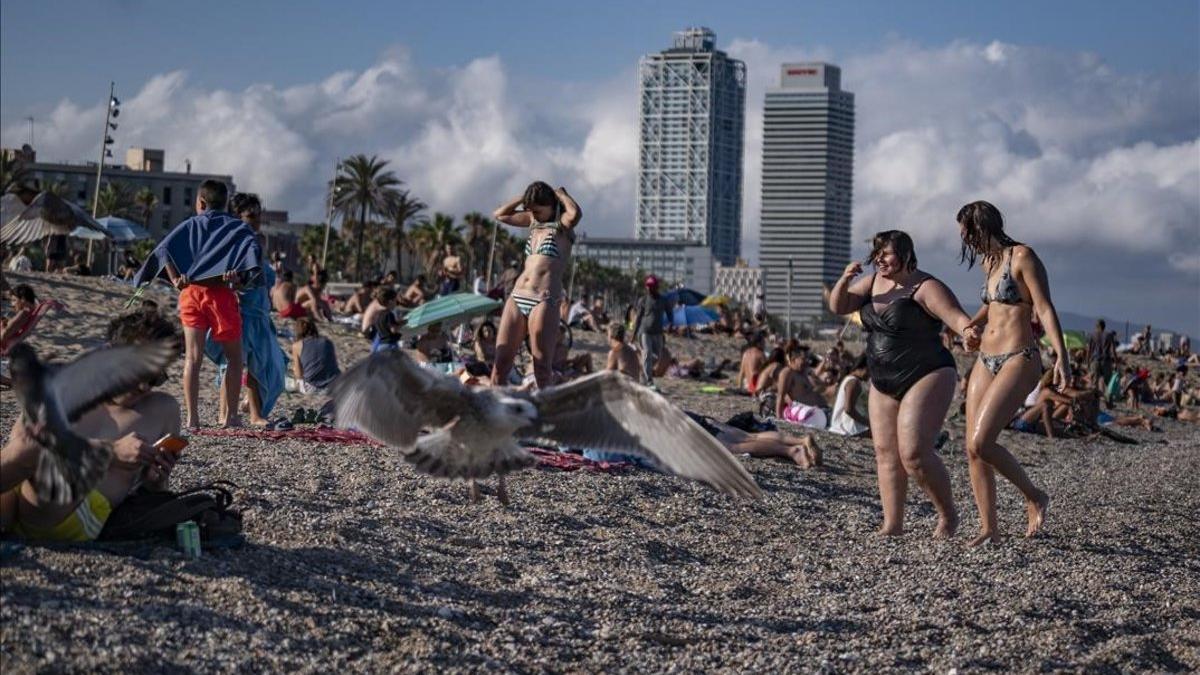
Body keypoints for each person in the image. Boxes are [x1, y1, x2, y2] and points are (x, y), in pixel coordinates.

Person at [829, 229, 980, 539]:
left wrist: (968, 332)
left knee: (913, 453)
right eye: (877, 253)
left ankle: (948, 515)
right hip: (883, 378)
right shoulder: (872, 283)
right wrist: (844, 279)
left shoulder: (925, 286)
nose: (880, 259)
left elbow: (955, 317)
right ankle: (892, 524)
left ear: (906, 254)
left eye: (887, 253)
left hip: (927, 372)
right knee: (885, 452)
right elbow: (839, 306)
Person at [0, 309, 182, 542]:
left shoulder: (161, 409)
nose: (145, 386)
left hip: (71, 513)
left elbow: (155, 493)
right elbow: (17, 451)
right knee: (30, 448)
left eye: (156, 378)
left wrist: (156, 481)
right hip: (18, 491)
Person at [957, 201, 1057, 545]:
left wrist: (1062, 356)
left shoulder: (1023, 256)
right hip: (986, 358)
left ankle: (1034, 495)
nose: (966, 242)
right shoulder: (990, 261)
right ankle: (990, 529)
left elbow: (1043, 306)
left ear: (982, 227)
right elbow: (993, 304)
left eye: (967, 233)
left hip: (1019, 355)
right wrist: (971, 325)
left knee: (982, 442)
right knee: (971, 449)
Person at [132, 179, 262, 429]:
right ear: (225, 203)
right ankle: (232, 417)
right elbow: (252, 259)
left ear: (201, 202)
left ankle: (193, 419)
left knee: (192, 359)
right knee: (234, 359)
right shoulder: (238, 228)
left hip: (191, 294)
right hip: (221, 296)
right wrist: (237, 276)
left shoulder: (189, 225)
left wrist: (174, 279)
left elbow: (163, 251)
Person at [204, 193, 286, 429]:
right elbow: (226, 277)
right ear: (237, 217)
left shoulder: (258, 242)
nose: (257, 220)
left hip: (260, 313)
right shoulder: (233, 243)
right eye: (251, 216)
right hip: (241, 311)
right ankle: (224, 413)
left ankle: (254, 413)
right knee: (232, 363)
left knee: (264, 364)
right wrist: (235, 283)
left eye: (258, 215)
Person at [490, 182, 582, 389]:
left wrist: (561, 195)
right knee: (500, 364)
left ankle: (546, 414)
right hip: (517, 295)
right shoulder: (532, 221)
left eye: (538, 210)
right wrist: (523, 199)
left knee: (541, 367)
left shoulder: (563, 226)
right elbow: (500, 215)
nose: (535, 214)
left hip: (544, 298)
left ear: (551, 205)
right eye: (531, 210)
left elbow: (575, 214)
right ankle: (494, 412)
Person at [684, 412, 821, 469]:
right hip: (697, 419)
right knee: (750, 436)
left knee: (734, 447)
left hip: (692, 429)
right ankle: (801, 440)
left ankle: (792, 451)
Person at [632, 275, 673, 389]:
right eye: (648, 286)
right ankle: (649, 381)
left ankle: (644, 374)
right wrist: (634, 334)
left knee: (656, 356)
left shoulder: (663, 300)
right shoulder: (643, 300)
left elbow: (670, 313)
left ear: (657, 287)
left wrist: (670, 324)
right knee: (647, 352)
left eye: (652, 286)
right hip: (644, 331)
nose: (649, 288)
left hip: (658, 333)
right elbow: (639, 317)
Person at [775, 344, 828, 428]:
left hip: (816, 411)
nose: (807, 361)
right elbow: (780, 396)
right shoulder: (788, 372)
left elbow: (823, 387)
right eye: (804, 358)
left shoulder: (804, 372)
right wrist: (779, 419)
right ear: (793, 359)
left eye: (808, 358)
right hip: (807, 413)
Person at [287, 317, 341, 394]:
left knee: (293, 372)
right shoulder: (327, 342)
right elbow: (333, 364)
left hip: (312, 387)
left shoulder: (297, 346)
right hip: (335, 384)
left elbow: (298, 373)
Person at [829, 355, 871, 437]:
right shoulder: (853, 383)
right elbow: (848, 409)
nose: (870, 375)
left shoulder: (854, 381)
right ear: (863, 368)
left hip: (849, 427)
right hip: (846, 429)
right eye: (870, 371)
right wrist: (868, 423)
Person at [1086, 319, 1116, 403]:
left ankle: (1094, 400)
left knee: (1094, 382)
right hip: (1106, 361)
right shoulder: (1109, 335)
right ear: (1104, 326)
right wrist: (1116, 362)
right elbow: (1113, 350)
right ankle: (1108, 400)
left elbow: (1089, 350)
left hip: (1095, 360)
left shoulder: (1092, 335)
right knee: (1108, 383)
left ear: (1097, 326)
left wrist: (1087, 362)